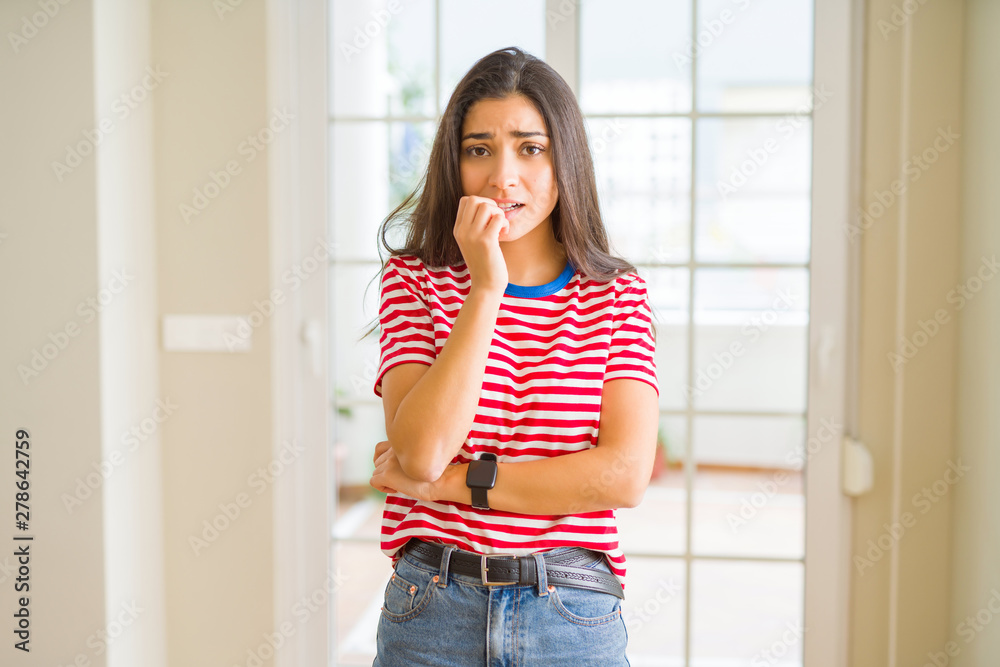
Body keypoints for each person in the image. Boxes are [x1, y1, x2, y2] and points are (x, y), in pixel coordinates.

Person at [365, 45, 659, 667]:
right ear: (456, 164)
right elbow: (418, 452)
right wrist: (486, 288)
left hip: (571, 611)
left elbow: (623, 476)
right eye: (479, 149)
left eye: (531, 148)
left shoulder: (617, 294)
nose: (504, 177)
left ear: (565, 161)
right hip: (431, 611)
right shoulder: (413, 281)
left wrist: (453, 485)